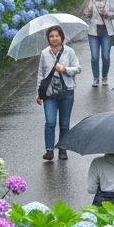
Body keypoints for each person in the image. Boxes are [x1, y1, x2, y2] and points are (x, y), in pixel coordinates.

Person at [35, 26, 79, 162]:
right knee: (50, 122)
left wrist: (65, 69)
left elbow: (78, 68)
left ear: (61, 37)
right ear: (48, 38)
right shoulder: (44, 53)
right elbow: (41, 73)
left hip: (67, 93)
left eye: (57, 36)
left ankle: (62, 149)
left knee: (64, 124)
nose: (54, 38)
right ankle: (49, 150)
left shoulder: (69, 51)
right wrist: (38, 92)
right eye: (51, 36)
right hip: (49, 94)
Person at [80, 0, 114, 87]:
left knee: (106, 56)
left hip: (106, 31)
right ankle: (96, 78)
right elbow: (83, 13)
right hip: (93, 31)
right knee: (94, 57)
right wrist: (88, 12)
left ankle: (105, 76)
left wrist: (107, 13)